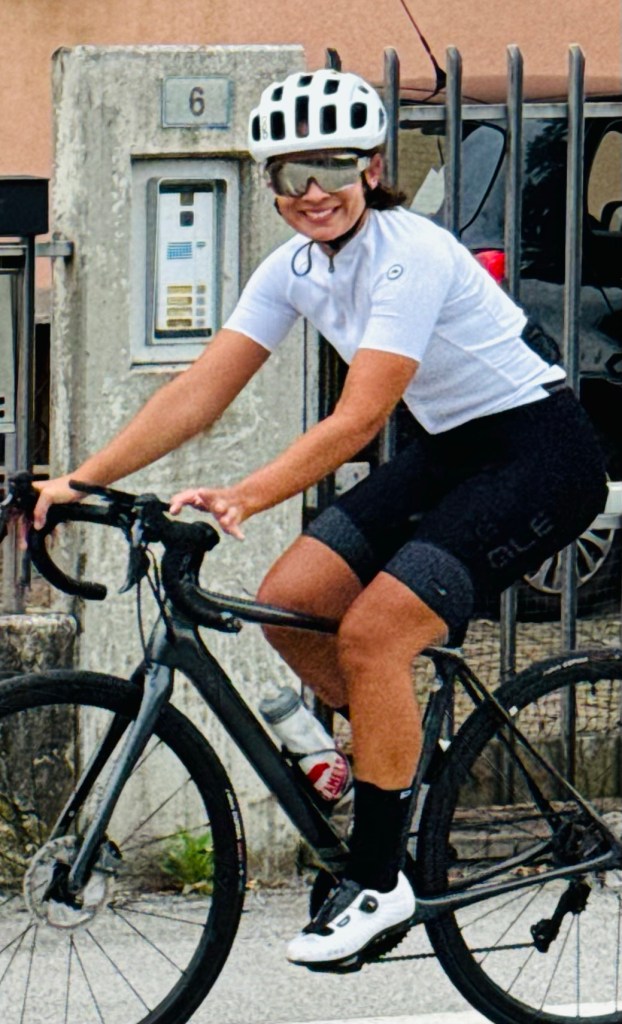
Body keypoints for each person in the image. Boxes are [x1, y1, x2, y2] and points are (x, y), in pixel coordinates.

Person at [33, 68, 608, 972]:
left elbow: (358, 420)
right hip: (453, 448)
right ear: (270, 182)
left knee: (376, 634)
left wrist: (244, 495)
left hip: (541, 453)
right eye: (290, 173)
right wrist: (80, 478)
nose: (313, 192)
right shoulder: (294, 268)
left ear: (372, 167)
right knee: (294, 599)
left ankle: (379, 882)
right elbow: (200, 390)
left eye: (333, 166)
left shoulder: (410, 253)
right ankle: (396, 757)